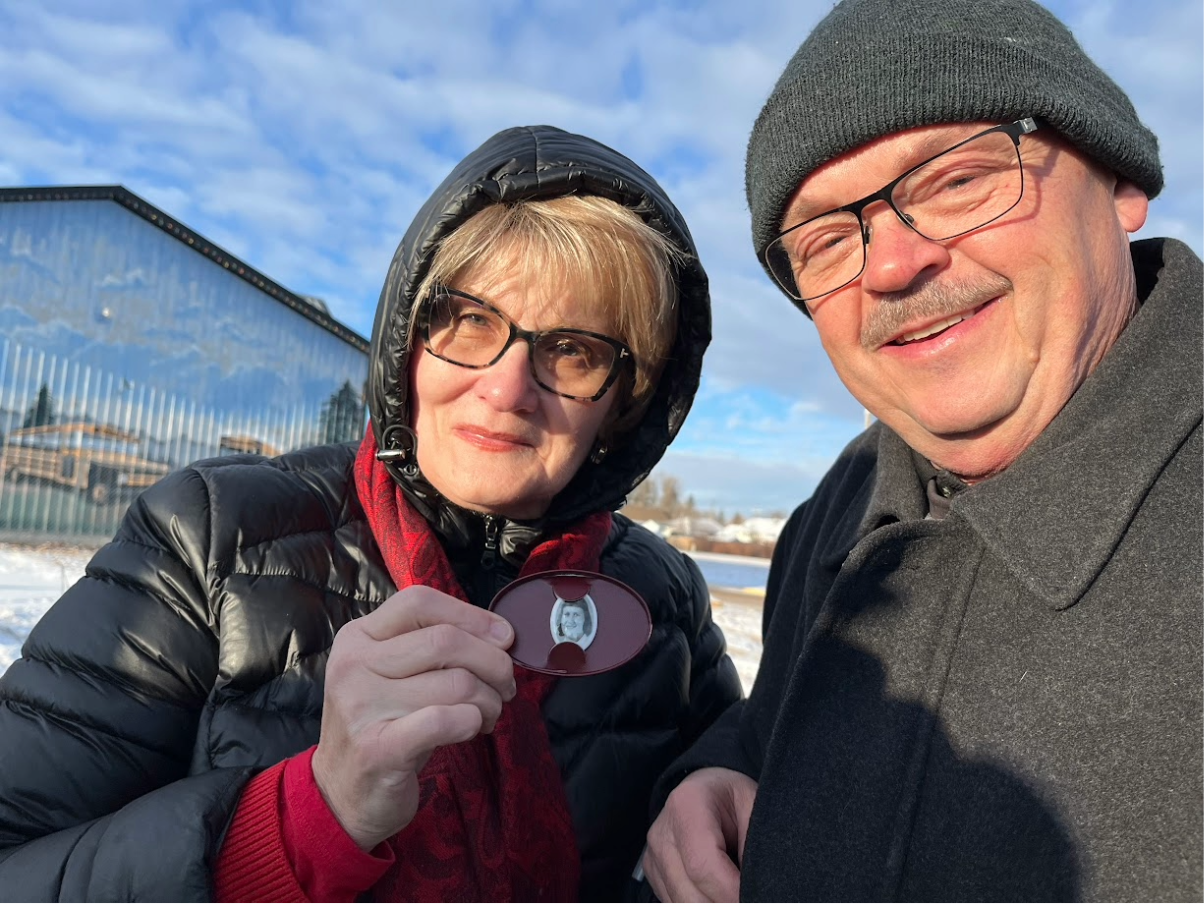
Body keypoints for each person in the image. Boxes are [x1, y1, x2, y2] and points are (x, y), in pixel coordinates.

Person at [0, 125, 742, 903]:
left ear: (626, 403)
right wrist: (306, 820)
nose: (507, 387)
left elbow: (738, 764)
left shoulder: (661, 598)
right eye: (469, 320)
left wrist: (717, 778)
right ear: (407, 337)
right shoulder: (211, 536)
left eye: (574, 352)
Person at [643, 0, 1204, 901]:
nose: (893, 266)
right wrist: (706, 783)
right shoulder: (840, 504)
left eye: (957, 181)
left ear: (1123, 180)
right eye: (827, 239)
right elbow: (770, 727)